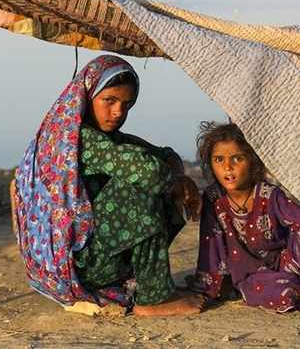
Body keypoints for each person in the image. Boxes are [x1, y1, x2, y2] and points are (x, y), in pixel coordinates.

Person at [12, 55, 206, 316]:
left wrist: (179, 176)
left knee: (153, 176)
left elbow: (166, 154)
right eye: (110, 101)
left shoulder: (102, 137)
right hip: (80, 266)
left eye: (127, 104)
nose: (118, 112)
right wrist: (177, 183)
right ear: (87, 97)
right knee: (140, 185)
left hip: (89, 259)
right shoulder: (80, 140)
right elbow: (148, 172)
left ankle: (151, 286)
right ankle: (153, 298)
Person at [189, 121, 300, 320]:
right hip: (252, 275)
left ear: (253, 161)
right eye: (218, 160)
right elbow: (211, 246)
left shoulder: (269, 194)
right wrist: (208, 289)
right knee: (283, 294)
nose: (227, 167)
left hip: (287, 259)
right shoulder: (214, 198)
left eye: (237, 158)